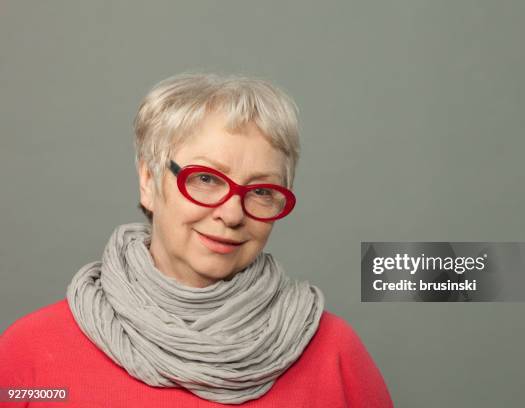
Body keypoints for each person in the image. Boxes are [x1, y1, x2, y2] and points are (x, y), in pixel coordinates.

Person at [0, 73, 393, 407]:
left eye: (260, 191)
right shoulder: (32, 350)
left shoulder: (335, 353)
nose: (232, 214)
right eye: (206, 179)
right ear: (149, 181)